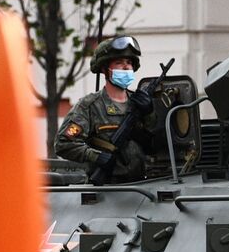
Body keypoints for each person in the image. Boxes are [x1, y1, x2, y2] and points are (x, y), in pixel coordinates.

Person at [54, 35, 159, 182]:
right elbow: (63, 144)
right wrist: (96, 156)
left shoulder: (140, 103)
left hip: (143, 185)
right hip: (107, 188)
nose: (126, 67)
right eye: (119, 62)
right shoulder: (90, 106)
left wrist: (149, 113)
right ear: (105, 69)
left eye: (129, 62)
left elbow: (159, 144)